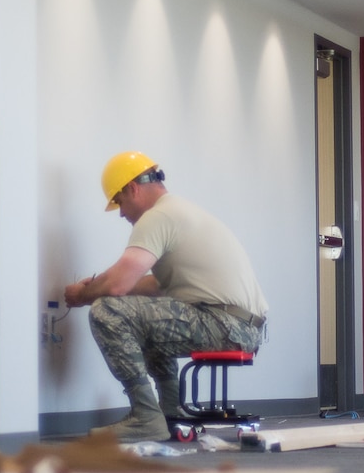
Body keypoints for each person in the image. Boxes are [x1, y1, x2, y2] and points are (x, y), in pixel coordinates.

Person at [63, 152, 268, 442]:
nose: (121, 213)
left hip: (224, 322)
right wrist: (102, 284)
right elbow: (155, 287)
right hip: (241, 325)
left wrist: (83, 294)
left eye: (119, 202)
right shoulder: (179, 211)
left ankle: (145, 416)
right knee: (144, 314)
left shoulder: (158, 216)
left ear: (132, 188)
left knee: (107, 310)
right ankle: (171, 412)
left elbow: (119, 284)